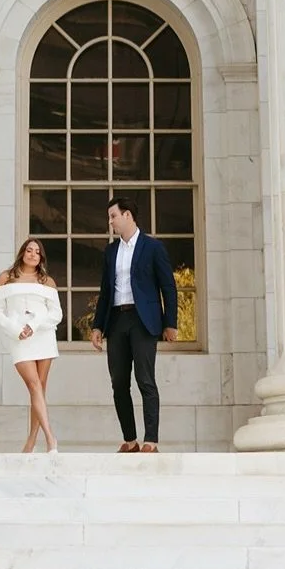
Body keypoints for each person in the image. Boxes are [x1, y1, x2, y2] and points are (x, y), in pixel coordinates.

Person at [90, 194, 178, 453]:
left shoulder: (153, 247)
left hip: (143, 322)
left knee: (145, 380)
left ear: (127, 215)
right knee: (119, 382)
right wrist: (97, 326)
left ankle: (151, 440)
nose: (111, 222)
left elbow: (168, 287)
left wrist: (170, 323)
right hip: (116, 320)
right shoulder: (110, 251)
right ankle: (130, 440)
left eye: (113, 216)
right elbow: (106, 291)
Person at [0, 237, 62, 452]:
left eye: (37, 252)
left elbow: (56, 313)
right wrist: (16, 329)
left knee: (40, 388)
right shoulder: (6, 278)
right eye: (29, 250)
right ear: (23, 252)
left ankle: (31, 440)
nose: (32, 254)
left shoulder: (47, 281)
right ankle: (51, 439)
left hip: (43, 336)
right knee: (33, 385)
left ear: (41, 257)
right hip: (19, 338)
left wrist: (34, 324)